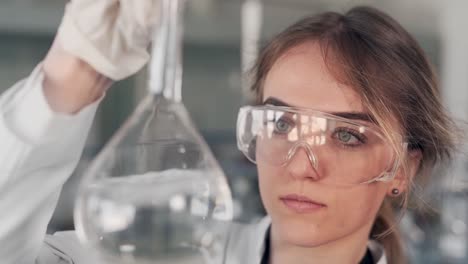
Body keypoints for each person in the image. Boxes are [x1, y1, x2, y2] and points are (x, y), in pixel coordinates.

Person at [0, 1, 459, 263]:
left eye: (347, 135)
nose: (300, 164)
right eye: (280, 123)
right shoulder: (171, 248)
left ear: (404, 167)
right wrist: (68, 79)